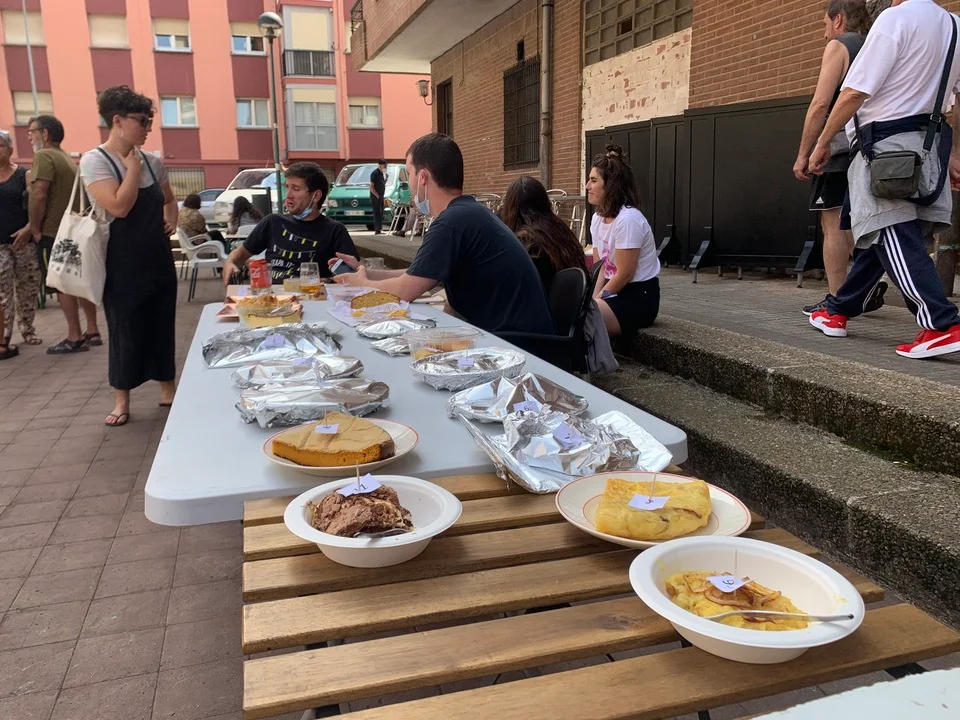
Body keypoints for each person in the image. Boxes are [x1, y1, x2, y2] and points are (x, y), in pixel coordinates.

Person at [808, 0, 960, 359]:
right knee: (882, 236)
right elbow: (956, 97)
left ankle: (941, 323)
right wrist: (954, 153)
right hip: (930, 142)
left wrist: (823, 141)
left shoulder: (895, 18)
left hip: (885, 145)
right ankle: (838, 309)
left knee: (890, 229)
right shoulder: (955, 26)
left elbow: (855, 91)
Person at [332, 133, 553, 335]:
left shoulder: (452, 222)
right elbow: (418, 274)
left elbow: (404, 290)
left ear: (422, 177)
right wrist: (366, 272)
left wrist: (361, 284)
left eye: (409, 173)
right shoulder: (468, 212)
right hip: (520, 338)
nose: (408, 184)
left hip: (518, 346)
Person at [79, 85, 179, 425]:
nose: (148, 127)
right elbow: (119, 207)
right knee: (125, 327)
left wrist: (171, 221)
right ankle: (122, 400)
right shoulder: (95, 161)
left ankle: (167, 389)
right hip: (121, 260)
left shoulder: (153, 162)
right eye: (141, 121)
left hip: (158, 257)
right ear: (117, 120)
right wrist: (132, 169)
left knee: (162, 323)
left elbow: (169, 199)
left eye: (150, 121)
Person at [794, 1, 888, 316]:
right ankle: (864, 286)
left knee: (833, 223)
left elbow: (821, 104)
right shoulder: (877, 44)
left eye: (825, 24)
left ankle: (838, 299)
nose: (824, 34)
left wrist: (804, 153)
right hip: (875, 147)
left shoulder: (840, 46)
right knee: (862, 222)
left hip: (837, 150)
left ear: (838, 19)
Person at [16, 116, 102, 353]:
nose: (29, 136)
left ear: (45, 133)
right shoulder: (66, 158)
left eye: (32, 131)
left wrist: (34, 228)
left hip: (54, 231)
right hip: (73, 229)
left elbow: (39, 194)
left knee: (62, 283)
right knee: (78, 279)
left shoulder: (43, 156)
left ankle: (74, 336)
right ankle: (92, 329)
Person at [223, 162, 358, 284]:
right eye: (287, 187)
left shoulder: (334, 230)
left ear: (316, 196)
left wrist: (328, 281)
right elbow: (241, 254)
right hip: (272, 297)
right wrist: (230, 263)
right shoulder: (272, 222)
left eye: (296, 189)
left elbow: (354, 275)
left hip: (312, 297)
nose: (288, 195)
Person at [587, 144, 660, 337]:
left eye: (593, 180)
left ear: (610, 185)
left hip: (638, 296)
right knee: (577, 309)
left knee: (585, 316)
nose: (587, 186)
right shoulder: (597, 219)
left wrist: (595, 303)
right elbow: (601, 268)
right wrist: (592, 299)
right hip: (612, 290)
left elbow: (625, 274)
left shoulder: (629, 220)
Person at [500, 176, 588, 291]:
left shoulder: (526, 243)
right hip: (571, 299)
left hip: (542, 300)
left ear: (511, 208)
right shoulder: (560, 229)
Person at [0, 130, 41, 348]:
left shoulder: (24, 174)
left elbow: (35, 205)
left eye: (0, 146)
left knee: (27, 288)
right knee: (2, 291)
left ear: (10, 149)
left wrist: (28, 229)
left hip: (23, 242)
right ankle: (4, 335)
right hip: (0, 246)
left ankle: (27, 329)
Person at [369, 159, 387, 234]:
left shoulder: (381, 173)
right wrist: (377, 195)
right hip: (376, 197)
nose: (385, 167)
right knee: (377, 213)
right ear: (380, 166)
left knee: (380, 212)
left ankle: (380, 228)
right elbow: (371, 186)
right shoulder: (375, 173)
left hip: (381, 195)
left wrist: (386, 179)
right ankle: (377, 229)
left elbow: (382, 184)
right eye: (384, 166)